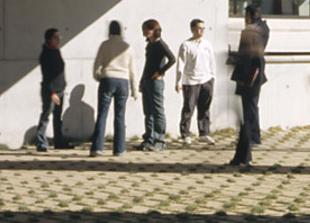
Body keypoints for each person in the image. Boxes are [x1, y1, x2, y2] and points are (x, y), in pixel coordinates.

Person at [90, 19, 137, 156]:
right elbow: (132, 70)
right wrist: (134, 90)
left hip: (107, 79)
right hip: (123, 81)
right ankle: (119, 149)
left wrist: (98, 77)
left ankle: (97, 148)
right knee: (120, 116)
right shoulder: (127, 47)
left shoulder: (104, 45)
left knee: (102, 114)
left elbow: (96, 66)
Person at [228, 22, 266, 168]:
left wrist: (246, 83)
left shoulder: (255, 52)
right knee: (244, 123)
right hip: (246, 89)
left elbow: (256, 69)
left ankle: (244, 156)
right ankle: (241, 156)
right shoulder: (250, 51)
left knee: (247, 123)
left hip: (249, 89)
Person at [176, 16, 216, 145]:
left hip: (206, 79)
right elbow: (181, 63)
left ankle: (204, 133)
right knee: (188, 108)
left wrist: (212, 77)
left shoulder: (207, 44)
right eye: (199, 28)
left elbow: (212, 61)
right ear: (192, 29)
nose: (201, 31)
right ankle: (185, 134)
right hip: (191, 81)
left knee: (205, 107)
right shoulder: (186, 45)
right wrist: (178, 81)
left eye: (203, 28)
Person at [138, 18, 176, 151]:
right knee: (148, 111)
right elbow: (147, 64)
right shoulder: (149, 44)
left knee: (158, 111)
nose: (143, 32)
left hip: (155, 82)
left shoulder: (160, 44)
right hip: (147, 81)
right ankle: (149, 138)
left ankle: (159, 140)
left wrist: (160, 72)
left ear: (153, 30)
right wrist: (142, 80)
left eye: (145, 29)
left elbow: (172, 59)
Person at [33, 28, 71, 151]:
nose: (58, 39)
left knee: (58, 117)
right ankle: (41, 142)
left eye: (59, 36)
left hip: (60, 89)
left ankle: (59, 141)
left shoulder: (56, 51)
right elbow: (47, 75)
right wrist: (52, 93)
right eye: (56, 37)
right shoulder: (46, 54)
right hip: (51, 91)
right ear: (49, 39)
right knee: (46, 115)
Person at [243, 3, 270, 141]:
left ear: (249, 14)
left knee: (249, 105)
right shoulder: (264, 28)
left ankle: (253, 136)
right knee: (252, 104)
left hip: (251, 72)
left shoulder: (251, 31)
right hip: (257, 71)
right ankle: (252, 135)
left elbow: (252, 54)